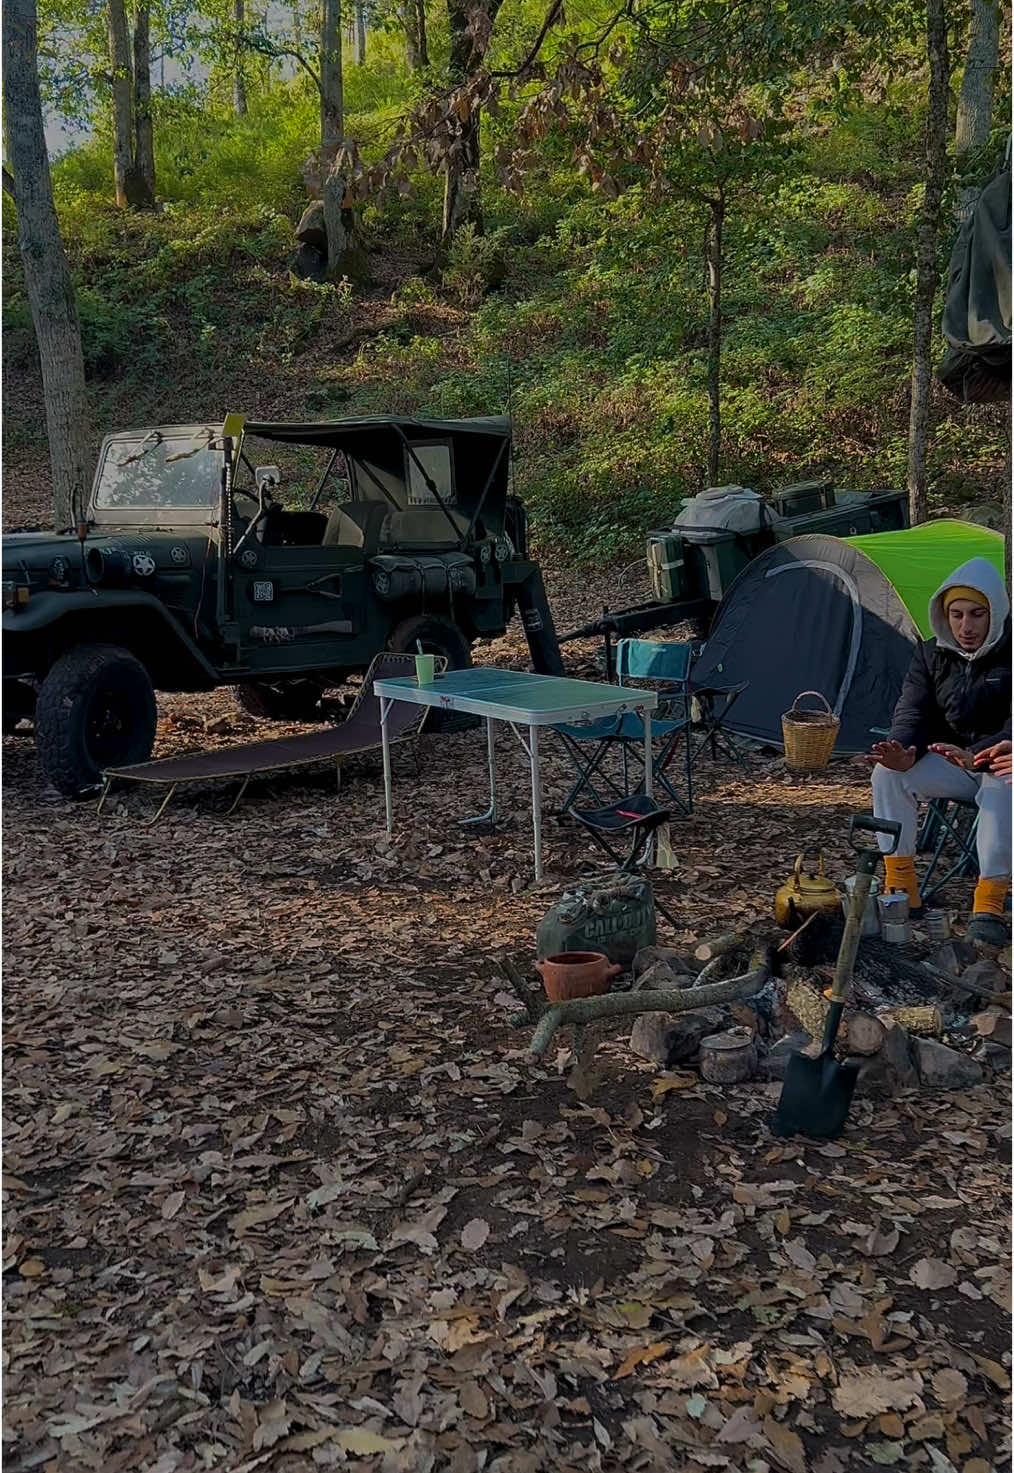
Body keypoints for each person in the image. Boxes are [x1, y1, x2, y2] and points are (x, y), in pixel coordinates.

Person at [865, 556, 1011, 944]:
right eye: (957, 614)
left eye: (977, 615)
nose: (966, 626)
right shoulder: (931, 654)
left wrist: (978, 753)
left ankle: (989, 906)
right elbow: (912, 709)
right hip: (951, 761)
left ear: (995, 613)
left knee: (1003, 788)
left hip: (1000, 760)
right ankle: (901, 889)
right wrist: (903, 748)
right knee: (888, 774)